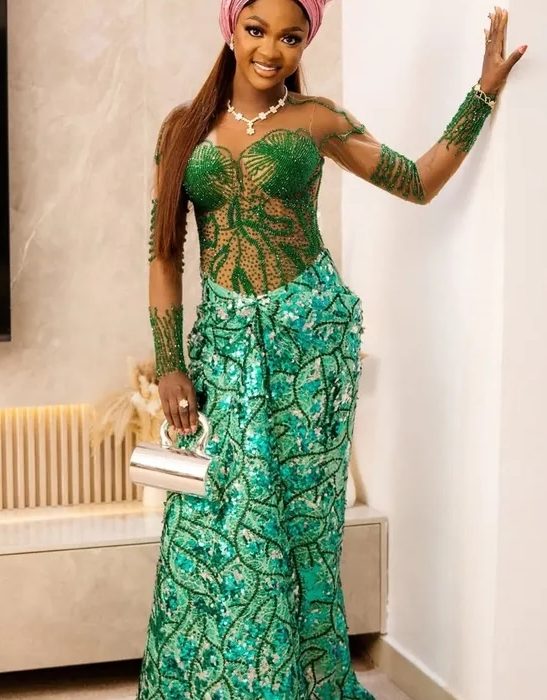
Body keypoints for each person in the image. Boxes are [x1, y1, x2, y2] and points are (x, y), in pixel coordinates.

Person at [137, 2, 525, 698]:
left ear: (305, 42)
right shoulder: (182, 129)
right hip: (223, 350)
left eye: (292, 36)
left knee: (301, 531)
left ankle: (301, 685)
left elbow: (417, 181)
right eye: (257, 29)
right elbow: (165, 254)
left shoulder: (316, 120)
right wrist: (170, 363)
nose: (271, 50)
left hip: (309, 352)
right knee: (211, 523)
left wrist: (483, 93)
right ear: (230, 28)